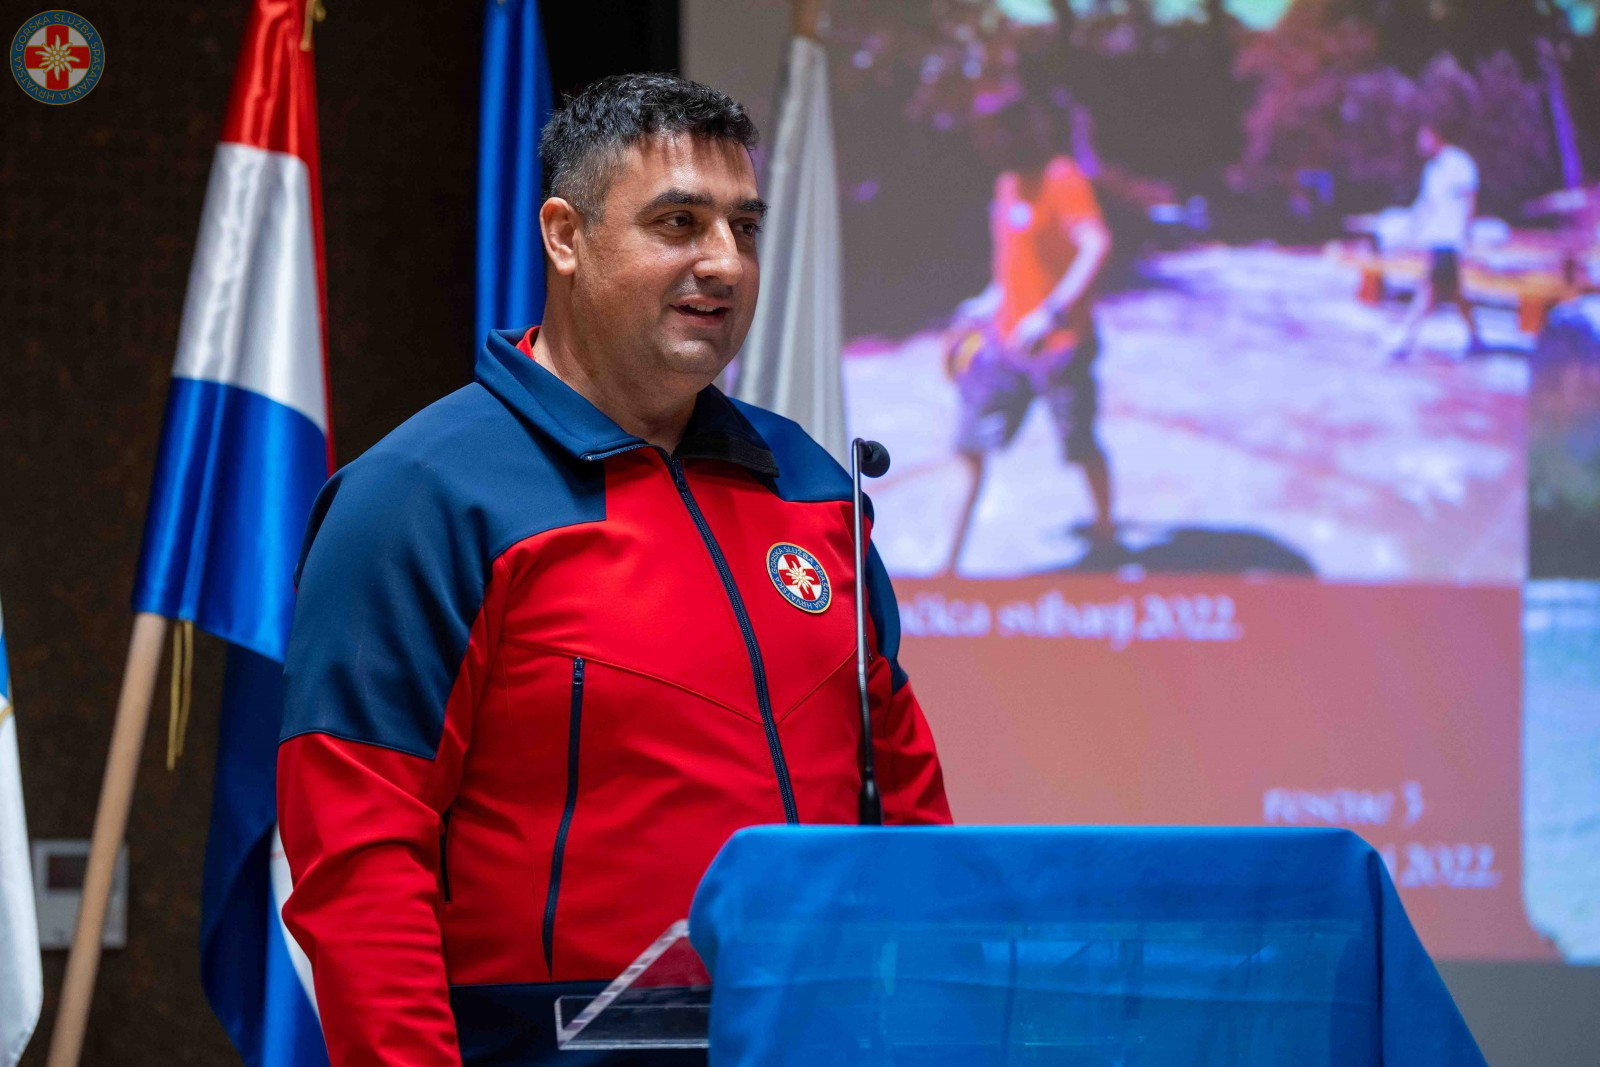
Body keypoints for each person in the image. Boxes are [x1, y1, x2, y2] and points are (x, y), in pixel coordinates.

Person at [276, 73, 951, 1066]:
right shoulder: (420, 494)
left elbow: (906, 797)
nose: (724, 262)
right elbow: (360, 856)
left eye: (744, 228)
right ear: (565, 236)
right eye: (679, 223)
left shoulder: (810, 486)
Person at [942, 90, 1114, 576]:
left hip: (1061, 348)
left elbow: (1096, 245)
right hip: (1006, 347)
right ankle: (947, 567)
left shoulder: (1062, 178)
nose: (986, 142)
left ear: (1023, 128)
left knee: (1080, 446)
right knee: (970, 448)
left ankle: (1106, 534)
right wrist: (982, 306)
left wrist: (1052, 313)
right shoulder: (1007, 185)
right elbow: (1011, 271)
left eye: (994, 131)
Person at [1389, 120, 1484, 360]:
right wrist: (1409, 232)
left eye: (1424, 138)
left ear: (1436, 136)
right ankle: (1475, 338)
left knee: (1428, 289)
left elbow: (1470, 200)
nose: (1420, 144)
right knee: (1455, 292)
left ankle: (1406, 340)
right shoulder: (1431, 170)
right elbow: (1426, 205)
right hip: (1436, 239)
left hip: (1450, 240)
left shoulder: (1459, 163)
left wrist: (1466, 235)